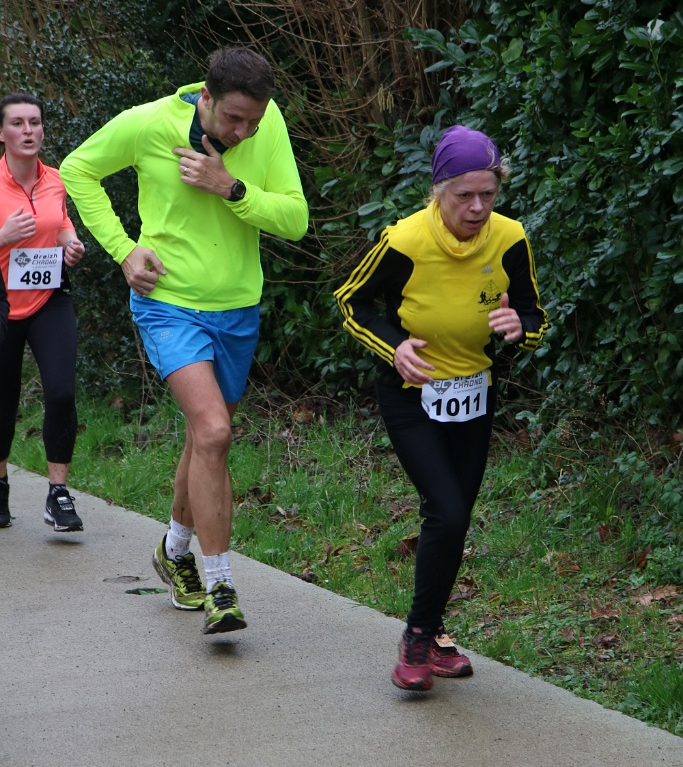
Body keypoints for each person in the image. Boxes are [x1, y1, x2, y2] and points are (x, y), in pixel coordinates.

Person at [60, 46, 308, 635]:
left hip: (237, 308)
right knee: (215, 431)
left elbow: (295, 220)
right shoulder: (151, 123)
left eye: (253, 120)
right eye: (234, 119)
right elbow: (77, 168)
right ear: (206, 98)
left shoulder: (267, 123)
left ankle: (173, 551)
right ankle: (221, 586)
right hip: (168, 303)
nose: (244, 131)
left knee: (205, 440)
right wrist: (125, 252)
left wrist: (232, 187)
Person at [335, 125, 548, 691]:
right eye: (464, 195)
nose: (478, 207)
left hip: (475, 393)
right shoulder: (405, 240)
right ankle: (416, 638)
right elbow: (351, 303)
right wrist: (394, 347)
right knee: (447, 512)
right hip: (412, 394)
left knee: (455, 518)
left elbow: (534, 315)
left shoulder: (510, 238)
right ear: (439, 191)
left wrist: (519, 327)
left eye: (488, 194)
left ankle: (432, 632)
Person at [0, 92, 86, 531]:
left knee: (61, 393)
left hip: (49, 297)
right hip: (2, 302)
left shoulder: (55, 180)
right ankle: (0, 484)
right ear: (2, 133)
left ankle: (58, 494)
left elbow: (61, 223)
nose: (28, 130)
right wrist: (3, 236)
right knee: (2, 401)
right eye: (17, 123)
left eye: (34, 122)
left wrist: (70, 244)